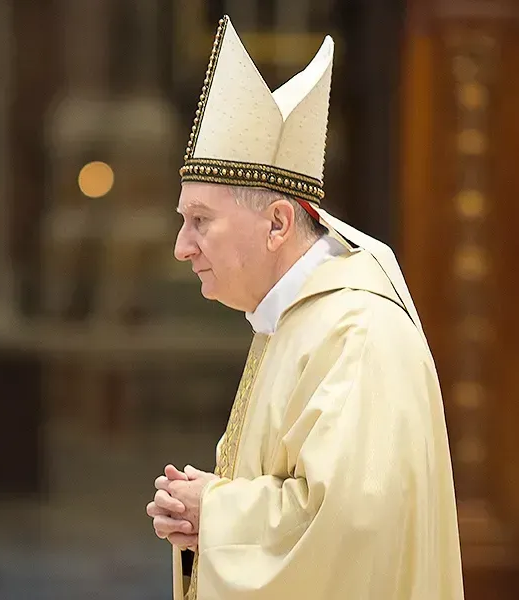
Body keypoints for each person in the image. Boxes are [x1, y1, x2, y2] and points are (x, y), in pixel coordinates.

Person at [145, 15, 464, 600]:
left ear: (276, 223)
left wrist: (212, 514)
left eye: (201, 222)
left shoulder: (356, 332)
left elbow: (350, 528)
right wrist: (203, 517)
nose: (181, 247)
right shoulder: (293, 321)